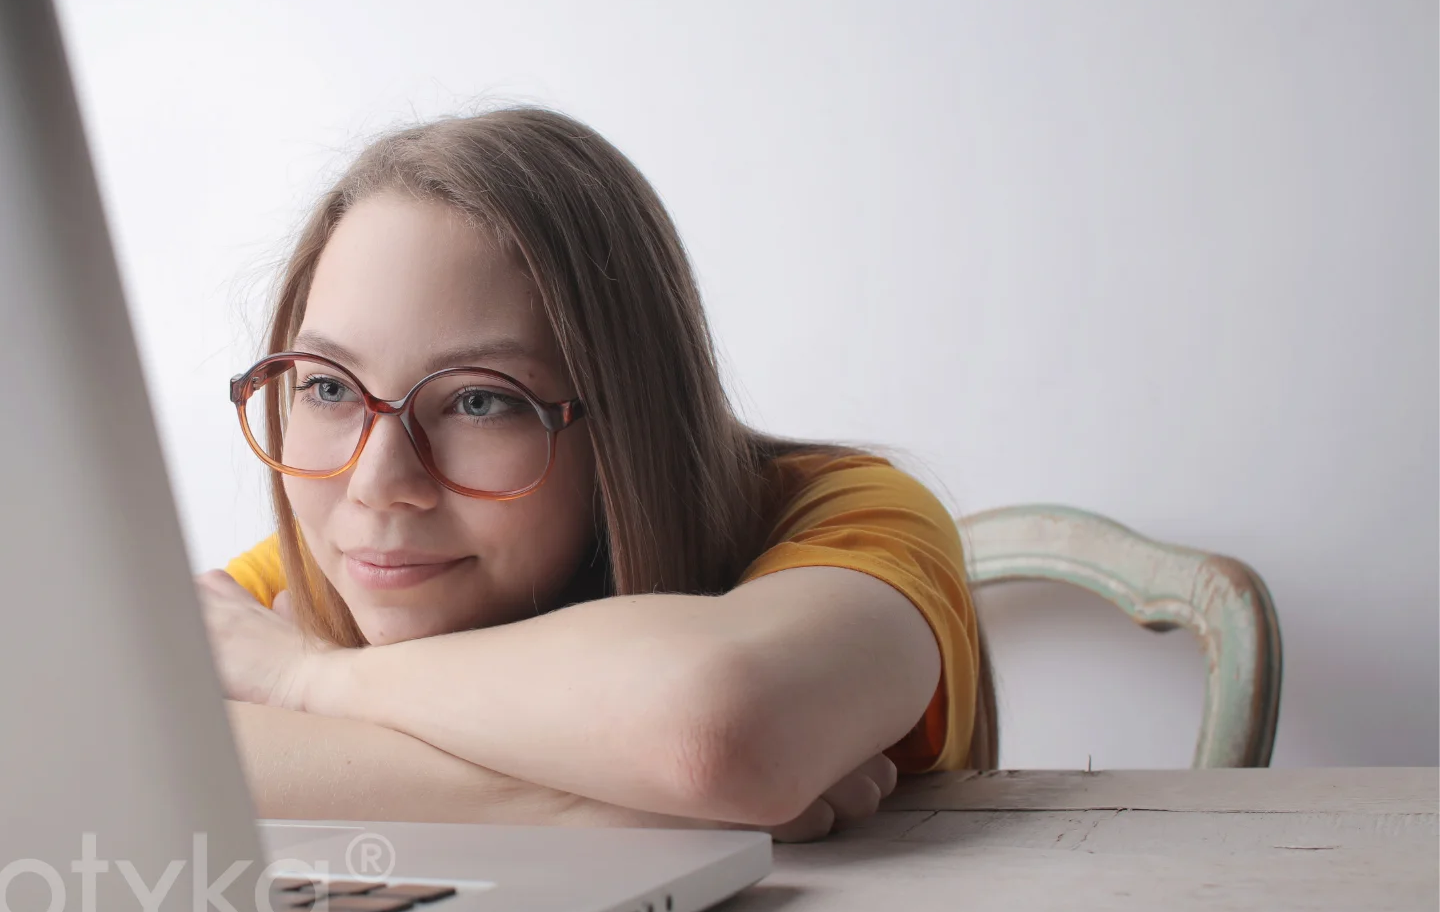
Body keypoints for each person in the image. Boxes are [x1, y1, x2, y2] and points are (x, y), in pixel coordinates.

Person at [196, 107, 994, 842]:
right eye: (328, 387)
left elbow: (713, 730)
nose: (375, 483)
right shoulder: (356, 562)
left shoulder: (845, 513)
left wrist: (310, 679)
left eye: (479, 401)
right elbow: (116, 746)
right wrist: (613, 801)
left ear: (625, 417)